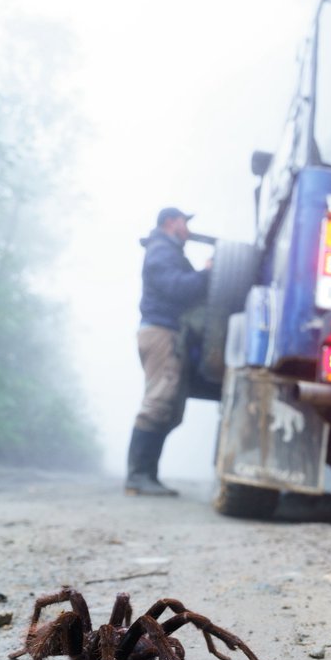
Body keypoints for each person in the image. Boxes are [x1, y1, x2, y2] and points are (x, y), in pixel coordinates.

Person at [125, 206, 212, 497]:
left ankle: (148, 475)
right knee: (158, 400)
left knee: (170, 408)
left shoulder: (167, 251)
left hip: (167, 333)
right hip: (160, 333)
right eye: (184, 222)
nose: (187, 229)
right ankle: (137, 477)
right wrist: (206, 274)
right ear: (170, 223)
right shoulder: (162, 250)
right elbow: (177, 288)